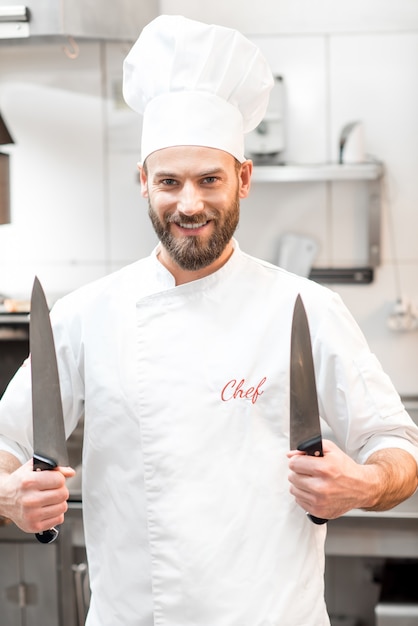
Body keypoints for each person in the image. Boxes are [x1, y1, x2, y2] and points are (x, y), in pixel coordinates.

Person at [0, 14, 417, 626]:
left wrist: (363, 484)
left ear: (243, 180)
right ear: (143, 182)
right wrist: (11, 497)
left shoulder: (304, 309)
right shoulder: (87, 316)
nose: (189, 204)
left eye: (209, 180)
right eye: (169, 181)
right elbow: (5, 447)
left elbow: (398, 449)